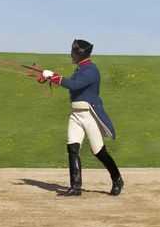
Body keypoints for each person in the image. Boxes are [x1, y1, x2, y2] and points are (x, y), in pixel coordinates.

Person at [38, 39, 124, 196]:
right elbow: (72, 83)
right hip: (76, 115)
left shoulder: (91, 70)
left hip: (89, 114)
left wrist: (54, 76)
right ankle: (75, 186)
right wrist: (50, 77)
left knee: (99, 151)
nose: (71, 55)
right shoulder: (81, 69)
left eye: (73, 52)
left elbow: (74, 85)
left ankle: (117, 179)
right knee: (72, 148)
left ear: (80, 54)